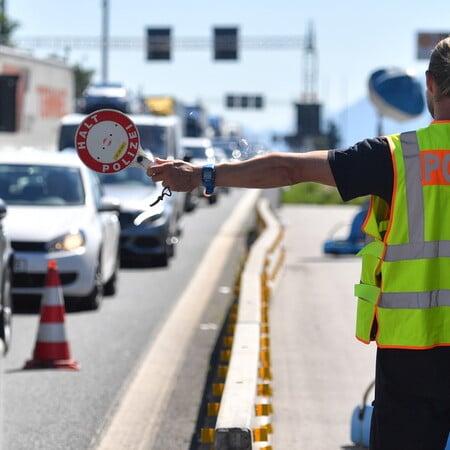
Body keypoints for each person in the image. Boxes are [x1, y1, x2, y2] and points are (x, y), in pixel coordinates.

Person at [148, 36, 450, 450]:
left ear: (430, 85)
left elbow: (289, 168)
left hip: (411, 354)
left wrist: (201, 175)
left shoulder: (398, 157)